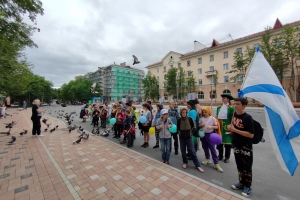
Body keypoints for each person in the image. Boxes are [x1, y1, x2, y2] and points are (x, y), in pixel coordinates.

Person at [228, 98, 254, 198]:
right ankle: (241, 182)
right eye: (234, 104)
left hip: (245, 146)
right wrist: (231, 130)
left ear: (244, 105)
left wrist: (235, 130)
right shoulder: (235, 115)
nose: (235, 106)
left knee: (247, 167)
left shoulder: (248, 117)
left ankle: (247, 187)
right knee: (239, 166)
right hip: (236, 144)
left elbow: (251, 134)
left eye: (237, 104)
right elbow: (235, 129)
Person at [177, 108, 204, 173]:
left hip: (189, 138)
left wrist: (191, 133)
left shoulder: (189, 119)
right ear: (181, 113)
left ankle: (197, 165)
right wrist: (178, 132)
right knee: (183, 151)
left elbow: (194, 127)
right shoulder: (179, 120)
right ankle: (185, 162)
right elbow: (177, 128)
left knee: (192, 151)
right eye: (182, 112)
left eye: (185, 112)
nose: (184, 114)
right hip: (182, 138)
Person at [199, 106, 223, 172]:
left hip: (211, 135)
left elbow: (217, 126)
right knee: (205, 147)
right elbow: (199, 125)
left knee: (212, 149)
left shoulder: (212, 118)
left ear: (209, 112)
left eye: (206, 112)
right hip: (203, 134)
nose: (204, 113)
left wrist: (211, 126)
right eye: (203, 112)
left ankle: (216, 163)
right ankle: (207, 158)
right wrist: (201, 125)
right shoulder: (201, 119)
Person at [216, 93, 235, 163]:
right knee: (220, 142)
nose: (222, 99)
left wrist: (232, 127)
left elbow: (233, 119)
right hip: (220, 128)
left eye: (224, 98)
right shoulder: (219, 107)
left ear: (228, 99)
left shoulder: (231, 108)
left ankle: (227, 157)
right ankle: (220, 156)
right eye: (222, 98)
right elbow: (217, 117)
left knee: (228, 144)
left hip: (227, 128)